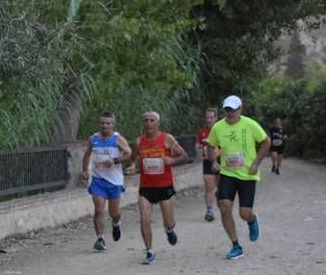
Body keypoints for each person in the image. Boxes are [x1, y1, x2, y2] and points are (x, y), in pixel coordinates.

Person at [207, 95, 270, 260]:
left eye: (233, 110)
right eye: (227, 110)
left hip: (247, 175)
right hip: (227, 173)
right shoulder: (218, 127)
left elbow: (266, 142)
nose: (230, 113)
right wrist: (213, 160)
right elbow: (210, 145)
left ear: (240, 109)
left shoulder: (250, 124)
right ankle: (236, 245)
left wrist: (256, 163)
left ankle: (252, 219)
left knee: (244, 213)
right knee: (224, 207)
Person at [131, 110, 189, 264]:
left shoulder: (167, 139)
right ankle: (149, 251)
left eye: (152, 120)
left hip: (164, 186)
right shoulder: (139, 142)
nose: (148, 123)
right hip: (146, 187)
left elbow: (184, 156)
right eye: (146, 120)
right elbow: (133, 160)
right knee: (144, 220)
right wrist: (132, 167)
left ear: (158, 123)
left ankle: (169, 230)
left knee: (169, 222)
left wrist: (171, 161)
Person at [79, 111, 132, 251]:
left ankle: (116, 223)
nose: (105, 126)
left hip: (114, 181)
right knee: (98, 209)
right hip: (98, 180)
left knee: (114, 212)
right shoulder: (93, 139)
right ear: (99, 124)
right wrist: (85, 170)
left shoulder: (118, 139)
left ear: (113, 124)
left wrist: (115, 161)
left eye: (108, 123)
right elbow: (86, 155)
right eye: (102, 123)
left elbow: (129, 153)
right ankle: (100, 239)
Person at [196, 108, 220, 221]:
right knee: (209, 187)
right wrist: (199, 146)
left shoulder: (222, 130)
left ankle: (221, 199)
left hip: (221, 162)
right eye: (207, 118)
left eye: (211, 117)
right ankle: (209, 211)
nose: (208, 120)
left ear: (216, 118)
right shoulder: (202, 132)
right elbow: (198, 145)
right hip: (207, 161)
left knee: (221, 187)